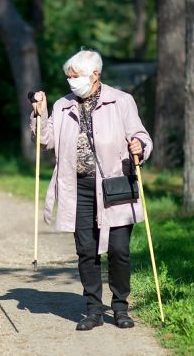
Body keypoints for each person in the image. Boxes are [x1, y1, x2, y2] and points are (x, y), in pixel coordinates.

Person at [30, 49, 153, 331]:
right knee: (86, 250)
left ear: (95, 75)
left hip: (115, 186)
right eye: (69, 77)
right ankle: (93, 310)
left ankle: (120, 307)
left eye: (76, 76)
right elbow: (44, 141)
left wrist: (140, 147)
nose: (71, 82)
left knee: (119, 250)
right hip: (79, 187)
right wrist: (39, 114)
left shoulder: (121, 101)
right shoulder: (63, 106)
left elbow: (142, 136)